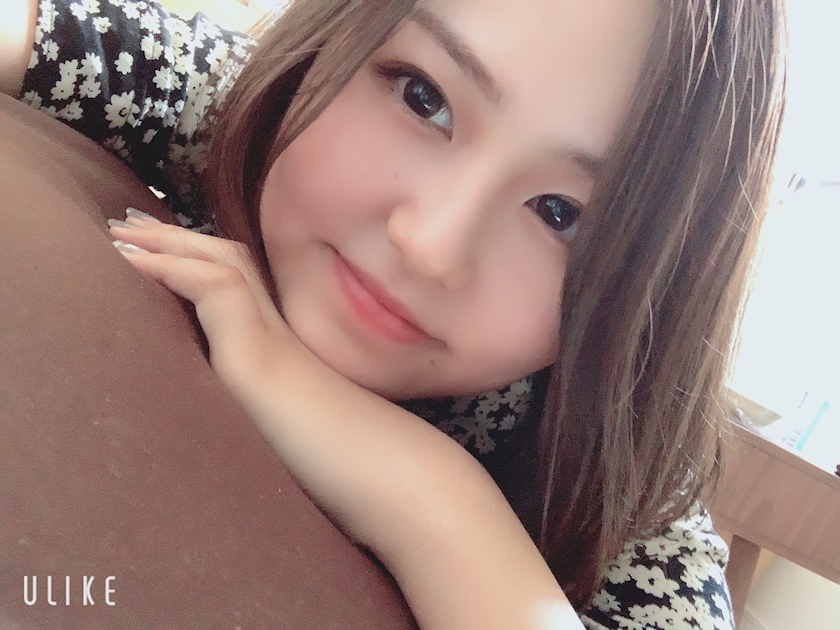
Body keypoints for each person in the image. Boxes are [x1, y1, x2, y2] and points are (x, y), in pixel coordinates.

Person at [0, 0, 786, 628]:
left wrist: (433, 497)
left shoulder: (627, 499)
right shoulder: (243, 107)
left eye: (562, 215)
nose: (430, 245)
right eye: (424, 98)